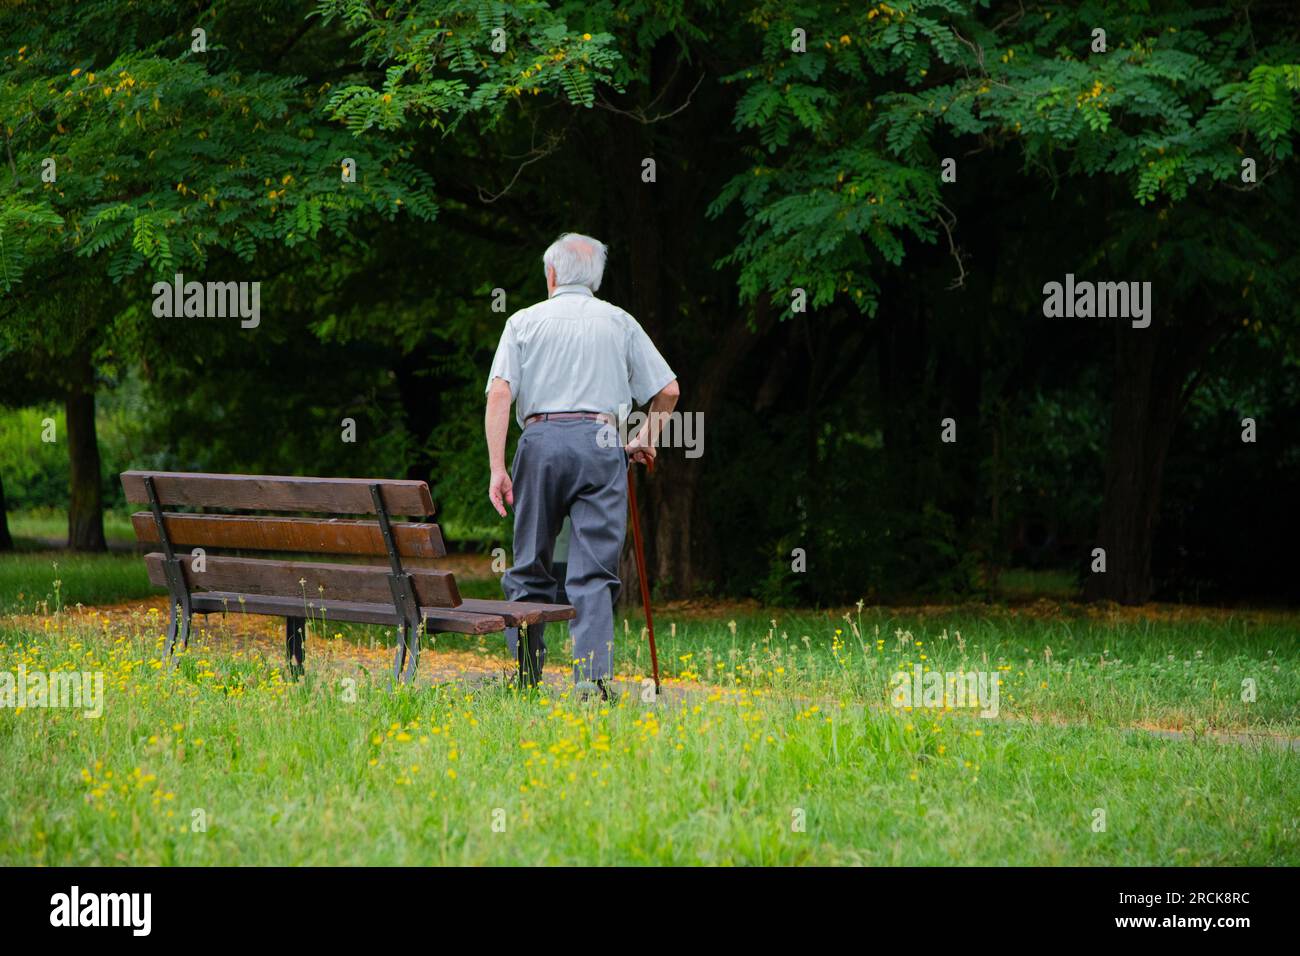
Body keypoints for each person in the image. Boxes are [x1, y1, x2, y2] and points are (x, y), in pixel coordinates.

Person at [484, 232, 679, 700]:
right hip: (601, 439)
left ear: (551, 274)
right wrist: (643, 439)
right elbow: (668, 390)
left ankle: (525, 677)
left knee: (531, 565)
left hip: (541, 440)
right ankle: (590, 682)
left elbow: (499, 393)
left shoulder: (523, 321)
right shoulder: (619, 321)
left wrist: (497, 467)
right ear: (595, 278)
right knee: (592, 572)